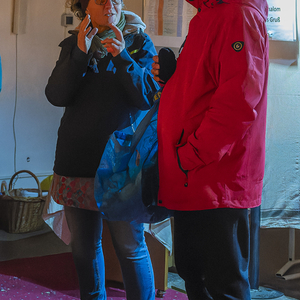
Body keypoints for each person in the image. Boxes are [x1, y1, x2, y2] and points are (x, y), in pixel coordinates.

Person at [152, 0, 269, 299]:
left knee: (221, 285)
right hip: (194, 177)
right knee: (195, 276)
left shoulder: (238, 14)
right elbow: (205, 87)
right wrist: (173, 78)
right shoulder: (209, 15)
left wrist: (190, 156)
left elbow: (238, 102)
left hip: (216, 181)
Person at [45, 0, 160, 299]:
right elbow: (56, 95)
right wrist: (80, 54)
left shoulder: (138, 41)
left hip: (121, 166)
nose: (110, 5)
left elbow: (147, 96)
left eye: (116, 0)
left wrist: (122, 56)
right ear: (85, 7)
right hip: (77, 159)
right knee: (84, 248)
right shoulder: (75, 44)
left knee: (130, 247)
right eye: (101, 0)